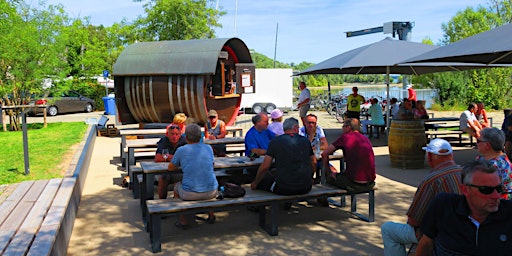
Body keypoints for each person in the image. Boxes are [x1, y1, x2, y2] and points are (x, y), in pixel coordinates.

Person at [381, 138, 462, 256]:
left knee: (388, 229)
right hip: (464, 230)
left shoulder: (431, 180)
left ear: (429, 157)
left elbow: (413, 220)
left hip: (439, 234)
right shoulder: (466, 173)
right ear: (451, 154)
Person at [416, 161, 512, 255]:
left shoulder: (508, 213)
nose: (496, 196)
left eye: (499, 189)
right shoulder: (444, 206)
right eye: (486, 190)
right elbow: (426, 245)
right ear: (465, 190)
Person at [168, 124, 219, 229]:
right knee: (207, 181)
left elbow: (171, 168)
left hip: (190, 193)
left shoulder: (181, 150)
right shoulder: (208, 148)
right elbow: (212, 164)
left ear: (186, 137)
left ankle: (183, 220)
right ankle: (211, 215)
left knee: (176, 186)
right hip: (212, 191)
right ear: (200, 137)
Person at [251, 117, 315, 195]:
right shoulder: (305, 141)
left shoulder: (275, 141)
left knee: (261, 180)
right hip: (306, 187)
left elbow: (265, 166)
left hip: (283, 188)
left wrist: (255, 182)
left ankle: (259, 205)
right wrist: (311, 177)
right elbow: (313, 162)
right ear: (295, 128)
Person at [321, 118, 376, 193]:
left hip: (354, 184)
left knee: (329, 178)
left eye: (343, 126)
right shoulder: (365, 138)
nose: (342, 129)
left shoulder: (346, 137)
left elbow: (324, 154)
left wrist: (329, 172)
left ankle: (323, 200)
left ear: (348, 128)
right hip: (370, 183)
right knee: (343, 174)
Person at [475, 127, 512, 200]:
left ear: (487, 145)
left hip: (497, 203)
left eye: (478, 141)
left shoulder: (492, 166)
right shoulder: (504, 159)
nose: (476, 143)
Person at [154, 124, 187, 199]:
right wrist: (176, 158)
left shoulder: (184, 141)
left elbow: (186, 157)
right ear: (168, 134)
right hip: (165, 170)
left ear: (180, 135)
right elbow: (157, 158)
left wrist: (167, 157)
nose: (174, 136)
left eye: (176, 134)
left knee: (179, 179)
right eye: (172, 134)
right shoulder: (163, 141)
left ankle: (175, 203)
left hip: (179, 170)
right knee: (163, 178)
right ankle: (161, 202)